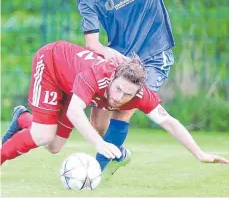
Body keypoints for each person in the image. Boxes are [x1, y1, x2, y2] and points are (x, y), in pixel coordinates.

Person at [71, 0, 229, 171]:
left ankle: (94, 173)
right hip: (120, 58)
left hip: (155, 55)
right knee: (98, 122)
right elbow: (92, 43)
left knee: (123, 110)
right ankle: (119, 152)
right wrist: (107, 52)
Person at [1, 40, 229, 170]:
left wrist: (199, 153)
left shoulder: (140, 94)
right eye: (117, 89)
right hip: (51, 63)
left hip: (72, 83)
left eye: (127, 94)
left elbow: (169, 122)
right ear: (113, 78)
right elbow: (74, 111)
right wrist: (99, 143)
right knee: (42, 136)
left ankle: (22, 118)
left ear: (138, 92)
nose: (119, 97)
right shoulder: (97, 75)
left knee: (53, 147)